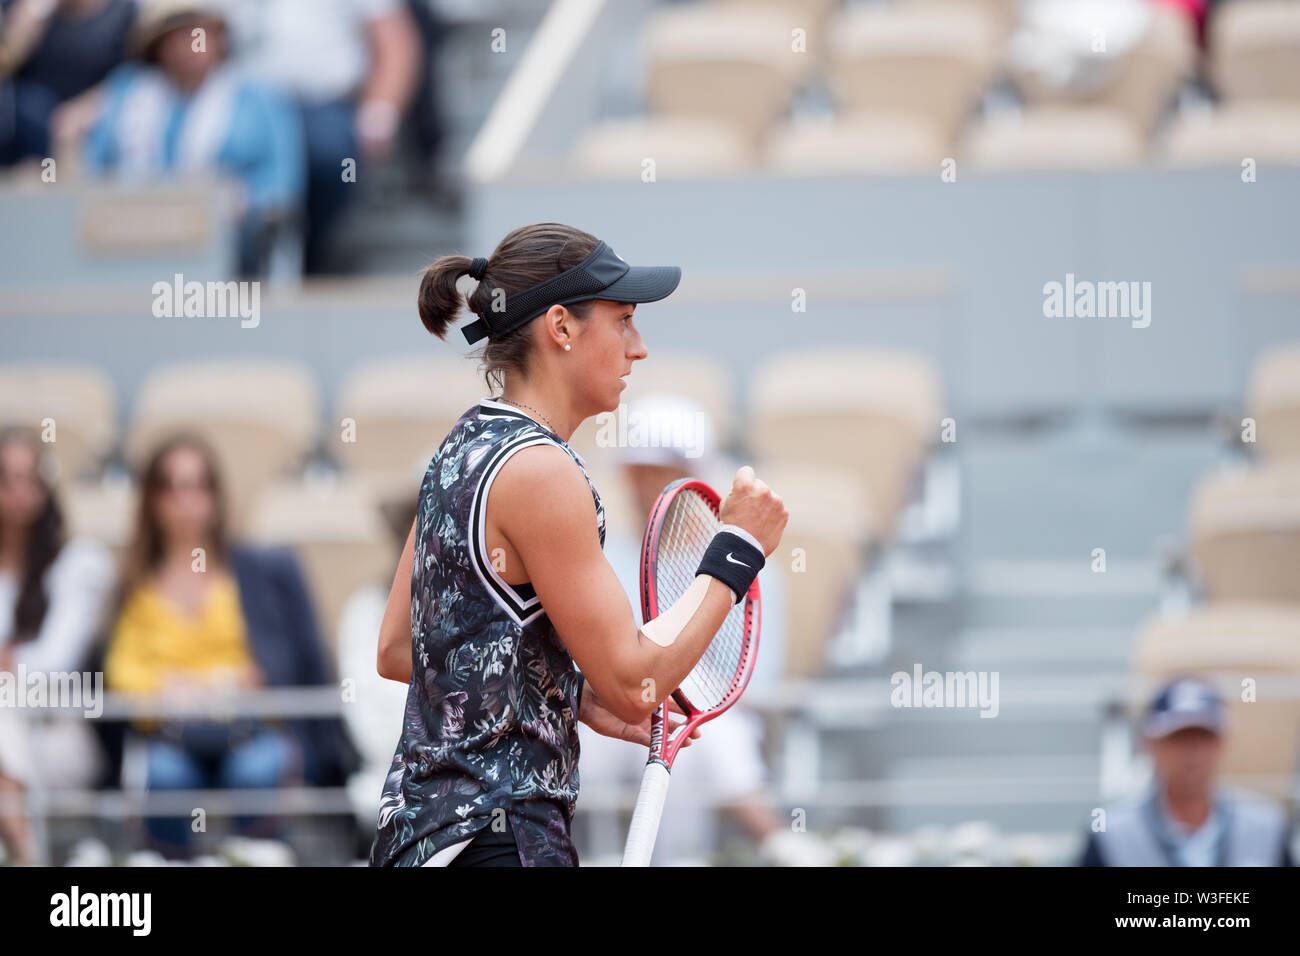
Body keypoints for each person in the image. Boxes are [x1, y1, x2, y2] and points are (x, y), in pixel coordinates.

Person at [369, 222, 789, 867]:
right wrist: (735, 548)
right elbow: (636, 684)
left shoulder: (457, 450)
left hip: (418, 841)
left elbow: (401, 651)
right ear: (561, 327)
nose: (638, 347)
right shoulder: (543, 471)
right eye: (623, 320)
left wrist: (567, 690)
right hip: (502, 838)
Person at [577, 392, 832, 865]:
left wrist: (663, 697)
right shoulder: (601, 558)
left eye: (661, 469)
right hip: (617, 716)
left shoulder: (749, 570)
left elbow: (753, 678)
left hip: (706, 722)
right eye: (638, 469)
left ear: (691, 475)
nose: (644, 483)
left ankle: (780, 845)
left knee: (703, 747)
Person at [102, 432, 358, 858]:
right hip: (171, 734)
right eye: (172, 487)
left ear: (216, 495)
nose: (187, 501)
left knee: (257, 772)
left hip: (253, 728)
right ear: (151, 499)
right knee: (164, 779)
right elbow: (121, 673)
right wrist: (165, 691)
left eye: (200, 485)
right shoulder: (137, 585)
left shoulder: (260, 570)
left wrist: (251, 681)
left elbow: (295, 661)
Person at [81, 0, 304, 277]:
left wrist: (242, 202)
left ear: (219, 39)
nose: (190, 45)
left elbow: (281, 184)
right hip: (136, 247)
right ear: (159, 45)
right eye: (177, 35)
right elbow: (92, 170)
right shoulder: (127, 92)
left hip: (234, 250)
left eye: (198, 33)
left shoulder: (260, 98)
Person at [218, 0, 421, 274]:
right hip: (240, 110)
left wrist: (380, 115)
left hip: (324, 108)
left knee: (331, 161)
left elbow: (396, 43)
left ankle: (313, 258)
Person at [0, 427, 115, 865]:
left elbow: (54, 671)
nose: (18, 493)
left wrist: (16, 669)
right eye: (6, 478)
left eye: (29, 478)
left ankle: (25, 855)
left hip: (57, 735)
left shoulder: (78, 564)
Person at [1079, 677, 1296, 866]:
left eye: (1202, 738)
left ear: (1222, 744)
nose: (1191, 753)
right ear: (1151, 744)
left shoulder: (1266, 829)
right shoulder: (1112, 836)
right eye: (1178, 739)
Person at [0, 0, 137, 166]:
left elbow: (132, 75)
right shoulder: (21, 8)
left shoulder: (122, 12)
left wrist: (85, 108)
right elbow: (6, 66)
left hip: (98, 116)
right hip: (32, 128)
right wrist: (35, 13)